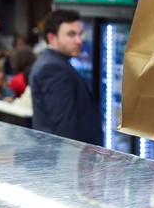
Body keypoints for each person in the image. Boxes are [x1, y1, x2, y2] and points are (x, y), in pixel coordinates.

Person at [29, 9, 103, 145]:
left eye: (80, 34)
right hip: (69, 158)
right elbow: (64, 127)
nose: (79, 40)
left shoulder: (51, 62)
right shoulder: (53, 69)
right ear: (52, 38)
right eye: (71, 34)